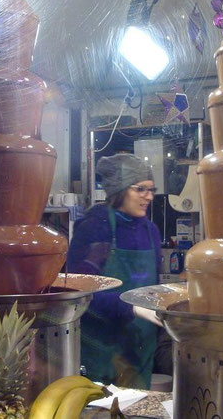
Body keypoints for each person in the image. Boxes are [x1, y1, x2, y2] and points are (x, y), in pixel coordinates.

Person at [68, 153, 162, 389]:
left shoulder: (150, 231)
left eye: (151, 190)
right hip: (100, 347)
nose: (148, 197)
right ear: (119, 189)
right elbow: (78, 289)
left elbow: (156, 286)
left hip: (139, 346)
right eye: (140, 189)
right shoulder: (95, 227)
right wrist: (129, 307)